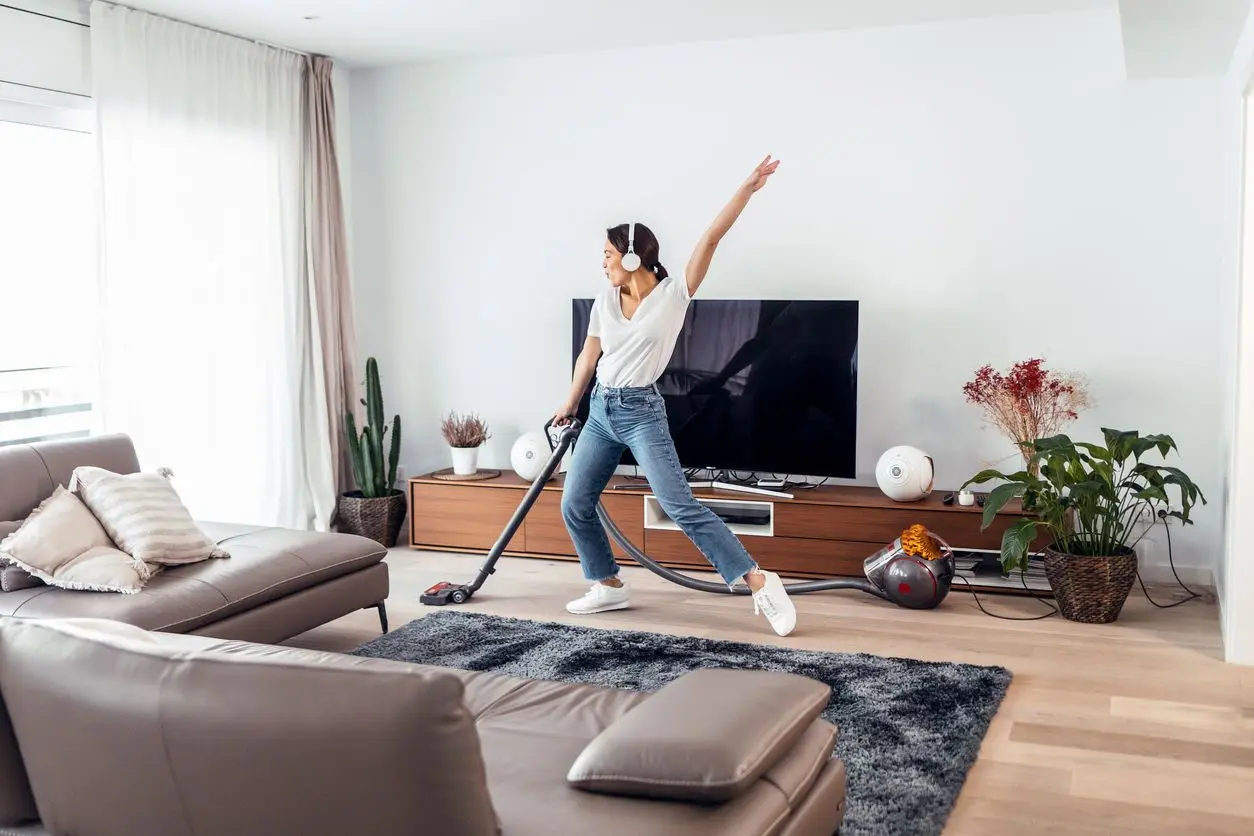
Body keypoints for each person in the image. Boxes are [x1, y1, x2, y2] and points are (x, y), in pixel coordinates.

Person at [551, 155, 797, 637]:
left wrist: (746, 188)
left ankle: (760, 580)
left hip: (642, 411)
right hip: (601, 409)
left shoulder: (674, 294)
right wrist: (569, 402)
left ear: (628, 256)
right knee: (575, 502)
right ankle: (608, 584)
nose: (601, 263)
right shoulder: (604, 299)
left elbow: (710, 239)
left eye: (606, 254)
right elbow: (588, 357)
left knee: (678, 503)